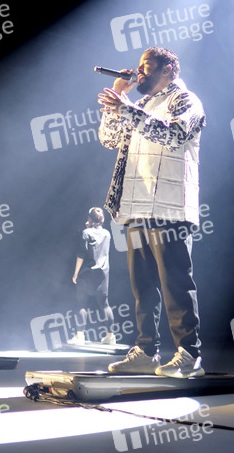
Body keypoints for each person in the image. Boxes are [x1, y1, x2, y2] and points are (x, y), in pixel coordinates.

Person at [97, 46, 207, 378]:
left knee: (175, 283)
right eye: (139, 66)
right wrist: (118, 100)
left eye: (147, 66)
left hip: (169, 207)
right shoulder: (141, 104)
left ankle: (189, 354)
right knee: (142, 286)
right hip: (136, 205)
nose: (139, 71)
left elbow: (173, 134)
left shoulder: (186, 100)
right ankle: (146, 351)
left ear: (168, 70)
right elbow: (108, 139)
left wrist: (127, 109)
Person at [68, 207, 116, 346]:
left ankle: (80, 336)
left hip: (87, 274)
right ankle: (110, 337)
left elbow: (81, 255)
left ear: (89, 218)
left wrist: (75, 273)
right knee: (105, 305)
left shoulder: (86, 233)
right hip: (103, 274)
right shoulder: (107, 234)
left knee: (82, 304)